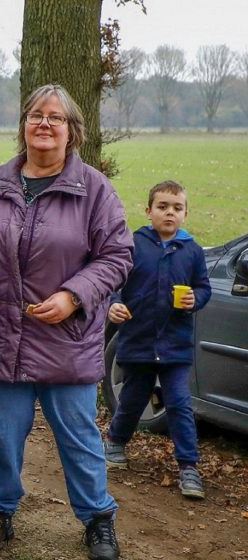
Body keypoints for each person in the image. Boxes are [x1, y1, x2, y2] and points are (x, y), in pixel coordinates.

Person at [0, 84, 133, 560]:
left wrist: (73, 296)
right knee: (0, 437)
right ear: (24, 126)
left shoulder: (94, 189)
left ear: (72, 132)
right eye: (36, 115)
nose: (44, 123)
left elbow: (118, 255)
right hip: (4, 336)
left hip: (67, 338)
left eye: (55, 118)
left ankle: (98, 518)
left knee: (79, 440)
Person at [103, 180, 211, 500]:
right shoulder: (134, 244)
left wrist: (197, 298)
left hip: (175, 345)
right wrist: (114, 304)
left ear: (186, 214)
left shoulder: (191, 251)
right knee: (133, 399)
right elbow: (114, 282)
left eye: (177, 208)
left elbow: (203, 288)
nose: (169, 213)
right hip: (138, 340)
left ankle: (189, 467)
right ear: (148, 211)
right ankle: (115, 442)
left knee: (178, 402)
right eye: (163, 207)